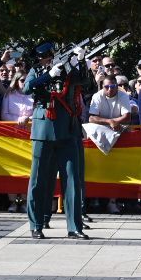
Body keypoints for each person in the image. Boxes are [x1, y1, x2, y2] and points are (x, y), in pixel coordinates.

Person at [24, 41, 93, 239]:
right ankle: (36, 225)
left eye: (46, 57)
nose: (44, 60)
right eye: (42, 58)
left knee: (72, 178)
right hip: (44, 129)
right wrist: (48, 75)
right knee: (38, 179)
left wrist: (81, 60)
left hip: (68, 129)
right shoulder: (36, 71)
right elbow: (27, 89)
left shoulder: (68, 69)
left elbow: (86, 83)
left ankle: (74, 227)